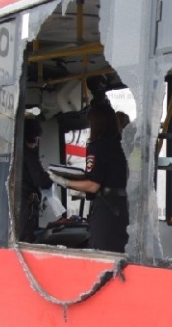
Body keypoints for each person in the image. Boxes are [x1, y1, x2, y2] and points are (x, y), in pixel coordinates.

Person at [48, 95, 129, 252]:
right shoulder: (120, 145)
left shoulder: (98, 146)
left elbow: (92, 185)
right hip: (121, 208)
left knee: (100, 252)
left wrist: (64, 181)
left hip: (106, 210)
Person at [18, 117, 53, 243]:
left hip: (16, 203)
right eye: (36, 139)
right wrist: (53, 177)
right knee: (26, 238)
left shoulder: (16, 151)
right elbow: (41, 180)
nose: (37, 143)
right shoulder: (29, 153)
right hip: (25, 205)